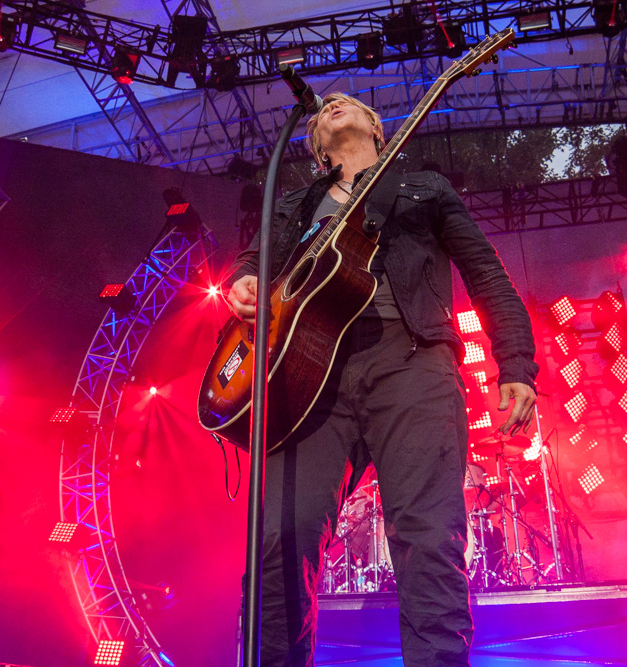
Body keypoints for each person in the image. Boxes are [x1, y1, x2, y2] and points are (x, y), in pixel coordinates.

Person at [224, 93, 538, 666]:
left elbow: (486, 273)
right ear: (317, 147)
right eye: (323, 111)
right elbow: (252, 266)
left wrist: (515, 362)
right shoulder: (293, 204)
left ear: (376, 126)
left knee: (427, 537)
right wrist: (243, 281)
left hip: (410, 360)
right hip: (307, 381)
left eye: (350, 102)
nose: (333, 102)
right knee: (279, 538)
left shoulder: (423, 189)